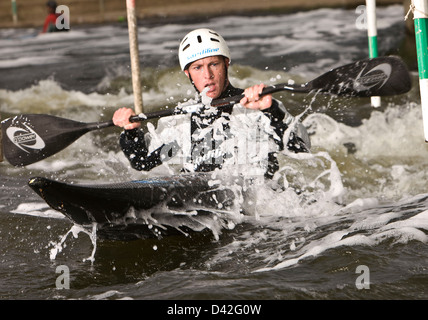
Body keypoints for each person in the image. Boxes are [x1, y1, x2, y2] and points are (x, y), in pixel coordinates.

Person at [113, 28, 310, 178]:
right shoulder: (181, 119)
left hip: (257, 209)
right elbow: (143, 163)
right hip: (207, 204)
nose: (207, 76)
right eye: (198, 68)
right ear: (187, 73)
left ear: (226, 63)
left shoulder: (256, 106)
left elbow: (301, 150)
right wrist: (131, 132)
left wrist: (271, 110)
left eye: (213, 64)